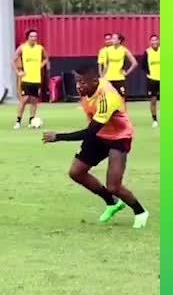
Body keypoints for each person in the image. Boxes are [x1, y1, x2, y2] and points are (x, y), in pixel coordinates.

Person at [42, 66, 150, 228]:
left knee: (113, 186)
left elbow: (90, 131)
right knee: (76, 172)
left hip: (118, 137)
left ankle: (140, 212)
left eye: (82, 82)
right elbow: (93, 128)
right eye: (77, 81)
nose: (78, 86)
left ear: (94, 81)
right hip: (99, 134)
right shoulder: (86, 93)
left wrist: (58, 137)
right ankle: (112, 203)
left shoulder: (107, 97)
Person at [13, 29, 48, 129]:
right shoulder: (23, 48)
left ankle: (31, 120)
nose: (34, 38)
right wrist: (18, 72)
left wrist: (41, 65)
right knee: (24, 99)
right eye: (31, 36)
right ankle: (18, 121)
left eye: (35, 36)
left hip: (36, 79)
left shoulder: (40, 48)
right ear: (28, 38)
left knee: (34, 100)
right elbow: (14, 59)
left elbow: (46, 58)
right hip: (26, 78)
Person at [97, 32, 136, 97]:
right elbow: (105, 66)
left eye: (114, 38)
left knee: (121, 99)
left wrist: (126, 73)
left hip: (120, 78)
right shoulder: (107, 50)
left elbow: (134, 63)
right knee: (109, 100)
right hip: (108, 78)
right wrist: (102, 77)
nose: (112, 40)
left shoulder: (124, 50)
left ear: (119, 41)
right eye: (112, 38)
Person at [144, 34, 160, 128]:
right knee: (153, 100)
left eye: (156, 40)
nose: (154, 42)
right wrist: (149, 73)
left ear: (158, 41)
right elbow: (143, 65)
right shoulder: (147, 52)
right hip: (152, 80)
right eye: (152, 41)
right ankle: (154, 120)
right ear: (150, 42)